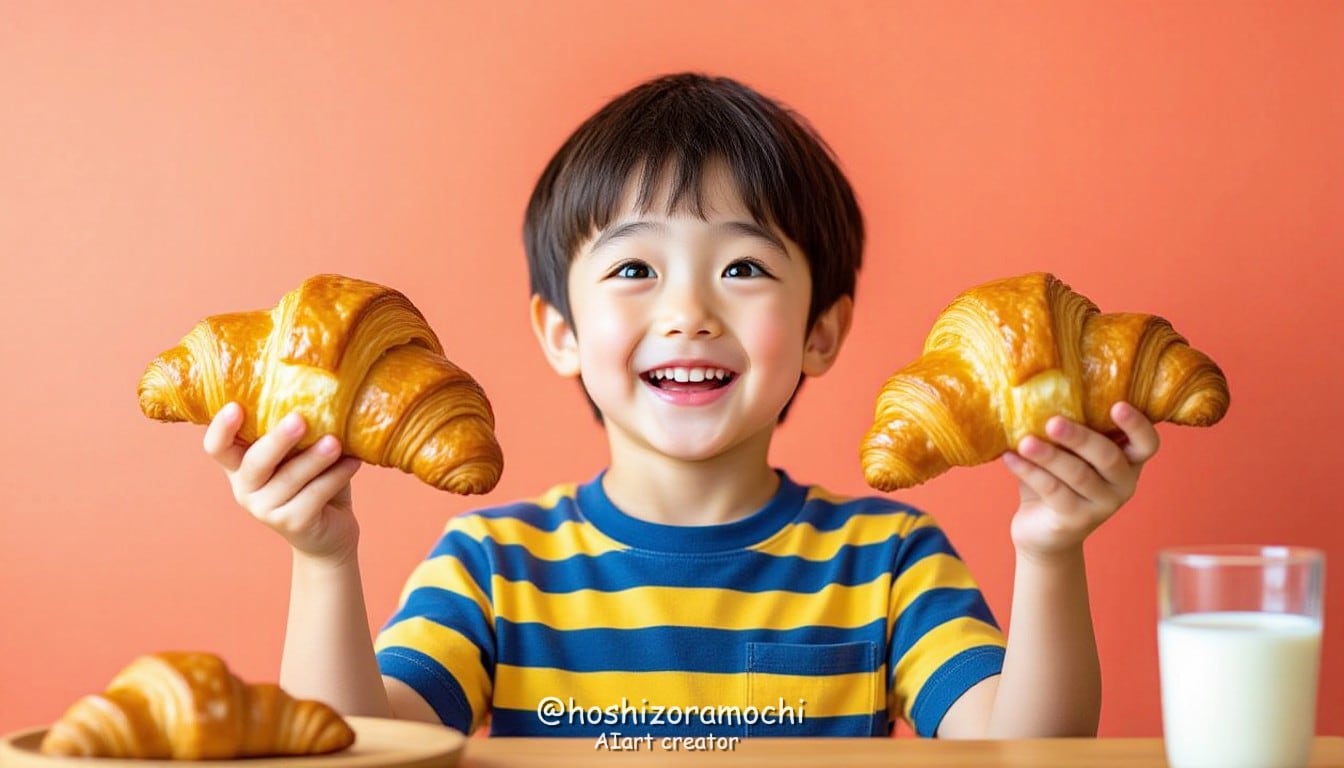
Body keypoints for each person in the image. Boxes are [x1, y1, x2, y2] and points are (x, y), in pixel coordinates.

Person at [202, 73, 1160, 739]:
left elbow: (1028, 747)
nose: (689, 313)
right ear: (560, 330)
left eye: (743, 267)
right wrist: (324, 561)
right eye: (633, 269)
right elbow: (366, 746)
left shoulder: (890, 559)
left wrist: (1050, 548)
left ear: (822, 330)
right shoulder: (492, 569)